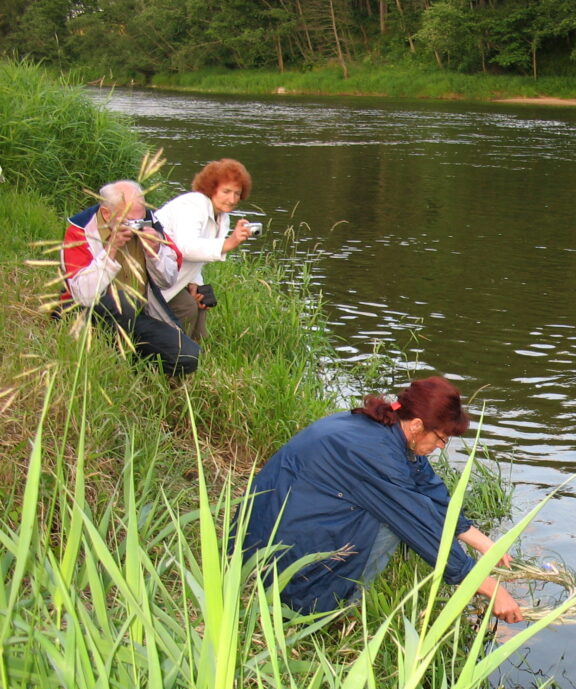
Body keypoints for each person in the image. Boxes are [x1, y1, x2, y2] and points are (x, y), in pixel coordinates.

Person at [241, 376, 524, 623]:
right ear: (416, 425)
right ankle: (328, 608)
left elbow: (428, 489)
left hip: (280, 526)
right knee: (392, 523)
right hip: (275, 558)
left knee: (404, 510)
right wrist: (489, 587)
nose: (441, 446)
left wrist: (483, 542)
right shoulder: (371, 452)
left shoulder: (384, 430)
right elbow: (418, 524)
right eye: (441, 438)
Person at [60, 179, 200, 376]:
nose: (136, 226)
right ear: (107, 213)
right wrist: (111, 249)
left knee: (188, 356)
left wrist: (155, 252)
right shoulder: (81, 229)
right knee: (123, 303)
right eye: (128, 221)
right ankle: (111, 361)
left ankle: (138, 368)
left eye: (139, 219)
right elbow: (83, 295)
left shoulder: (151, 224)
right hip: (86, 312)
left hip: (137, 313)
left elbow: (167, 280)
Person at [155, 159, 255, 341]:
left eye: (237, 194)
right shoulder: (192, 205)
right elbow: (186, 247)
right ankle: (166, 359)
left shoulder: (222, 218)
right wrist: (229, 243)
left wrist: (194, 283)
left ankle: (191, 359)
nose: (232, 199)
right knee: (186, 307)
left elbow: (196, 260)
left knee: (201, 307)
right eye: (226, 191)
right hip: (153, 278)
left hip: (176, 279)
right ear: (211, 188)